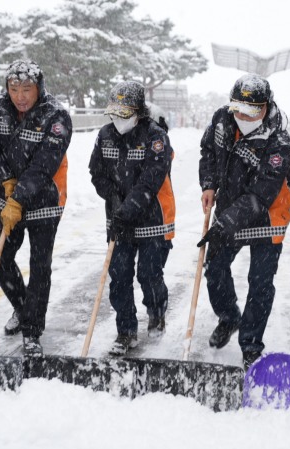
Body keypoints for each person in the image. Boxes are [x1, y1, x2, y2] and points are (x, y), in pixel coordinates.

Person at [197, 73, 290, 369]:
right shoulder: (222, 120)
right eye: (238, 108)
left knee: (260, 282)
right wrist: (209, 184)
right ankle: (229, 317)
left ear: (266, 106)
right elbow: (208, 151)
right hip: (229, 207)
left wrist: (225, 223)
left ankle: (251, 343)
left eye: (252, 111)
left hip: (268, 215)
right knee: (214, 267)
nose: (243, 116)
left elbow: (261, 193)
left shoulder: (278, 141)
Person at [0, 59, 72, 356]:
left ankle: (32, 330)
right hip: (5, 198)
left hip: (45, 198)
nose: (20, 96)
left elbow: (45, 164)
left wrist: (19, 197)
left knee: (40, 265)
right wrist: (5, 178)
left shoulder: (56, 115)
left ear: (39, 87)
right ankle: (22, 306)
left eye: (27, 89)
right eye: (14, 88)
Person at [89, 80, 176, 356]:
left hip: (152, 219)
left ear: (138, 111)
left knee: (149, 275)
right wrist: (113, 198)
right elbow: (96, 172)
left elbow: (151, 180)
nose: (118, 119)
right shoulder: (105, 136)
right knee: (119, 277)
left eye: (124, 114)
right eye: (114, 113)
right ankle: (126, 331)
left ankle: (156, 311)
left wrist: (129, 208)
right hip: (118, 221)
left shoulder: (155, 137)